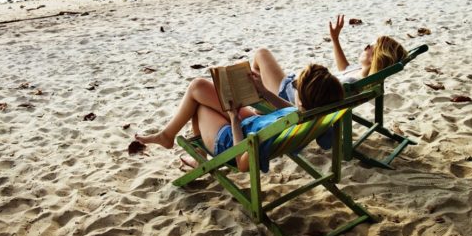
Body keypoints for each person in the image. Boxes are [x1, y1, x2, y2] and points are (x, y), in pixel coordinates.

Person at [135, 64, 343, 172]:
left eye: (296, 86)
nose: (293, 86)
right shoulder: (317, 115)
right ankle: (168, 136)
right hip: (253, 125)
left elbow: (242, 163)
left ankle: (172, 140)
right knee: (199, 86)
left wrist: (234, 120)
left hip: (231, 140)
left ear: (303, 101)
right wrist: (263, 91)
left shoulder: (288, 124)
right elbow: (293, 113)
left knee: (198, 101)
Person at [257, 15, 408, 105]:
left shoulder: (349, 83)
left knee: (261, 54)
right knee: (256, 74)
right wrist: (335, 39)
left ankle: (262, 106)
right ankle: (261, 105)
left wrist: (300, 82)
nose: (366, 46)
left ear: (377, 59)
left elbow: (311, 101)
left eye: (371, 47)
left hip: (290, 94)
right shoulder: (361, 77)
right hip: (295, 87)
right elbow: (344, 68)